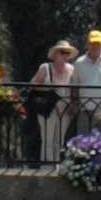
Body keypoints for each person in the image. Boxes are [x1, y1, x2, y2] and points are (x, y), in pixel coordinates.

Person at [26, 38, 79, 169]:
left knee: (60, 141)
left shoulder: (72, 69)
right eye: (62, 52)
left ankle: (57, 168)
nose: (65, 55)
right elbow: (32, 86)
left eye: (67, 53)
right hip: (47, 108)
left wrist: (73, 106)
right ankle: (46, 169)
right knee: (47, 139)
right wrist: (48, 89)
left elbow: (74, 91)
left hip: (64, 110)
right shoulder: (45, 67)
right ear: (55, 54)